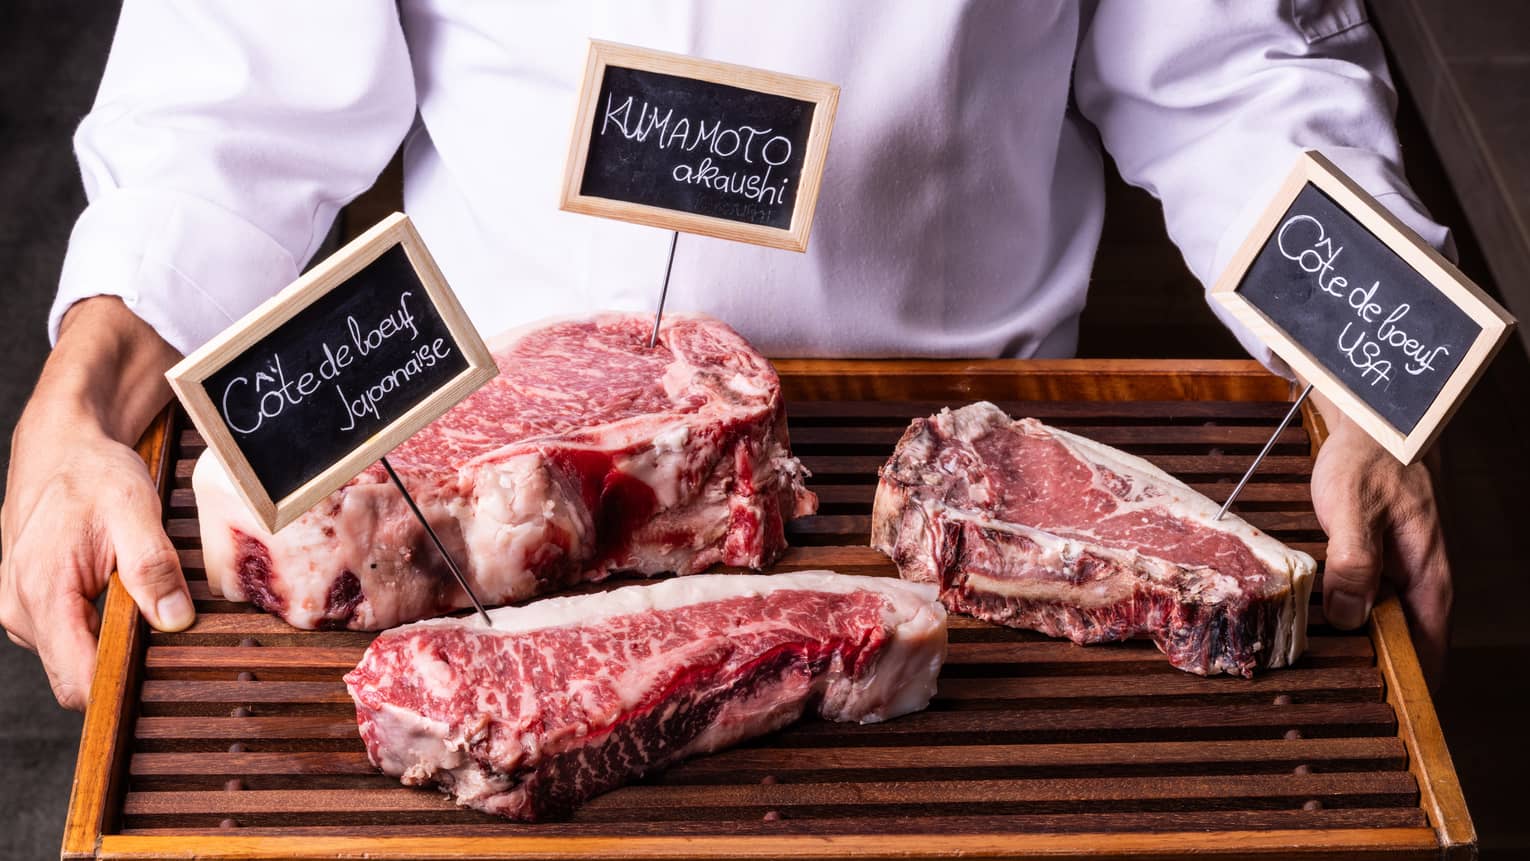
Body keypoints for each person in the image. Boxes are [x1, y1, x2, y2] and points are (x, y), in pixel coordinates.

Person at [1, 2, 1452, 709]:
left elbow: (1235, 81)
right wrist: (80, 404)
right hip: (479, 512)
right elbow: (227, 95)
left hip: (966, 529)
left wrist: (1368, 387)